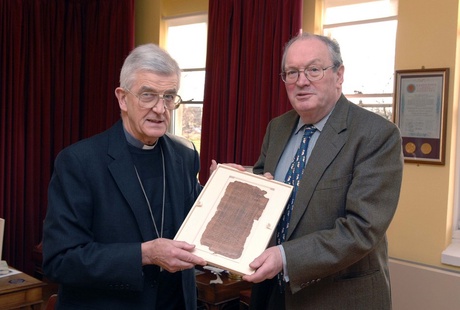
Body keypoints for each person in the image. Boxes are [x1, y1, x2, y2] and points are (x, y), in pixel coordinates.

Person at [242, 33, 403, 309]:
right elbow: (265, 190)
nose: (301, 81)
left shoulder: (376, 134)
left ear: (339, 75)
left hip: (337, 297)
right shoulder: (277, 128)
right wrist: (241, 185)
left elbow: (361, 229)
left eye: (314, 70)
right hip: (272, 294)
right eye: (292, 72)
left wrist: (285, 257)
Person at [43, 43, 208, 309]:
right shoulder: (79, 162)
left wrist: (231, 188)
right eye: (148, 95)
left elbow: (198, 220)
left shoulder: (185, 154)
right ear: (122, 98)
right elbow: (60, 260)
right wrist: (145, 255)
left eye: (169, 96)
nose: (160, 108)